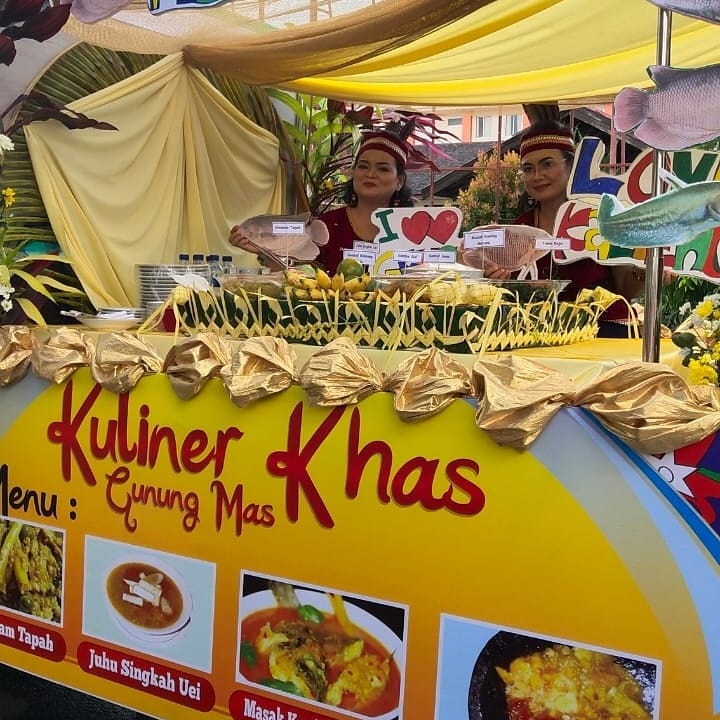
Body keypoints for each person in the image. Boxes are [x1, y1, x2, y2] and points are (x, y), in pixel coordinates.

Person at [511, 119, 669, 338]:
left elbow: (626, 289)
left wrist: (646, 272)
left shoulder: (602, 219)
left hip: (602, 333)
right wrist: (493, 276)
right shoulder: (518, 229)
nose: (537, 175)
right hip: (532, 335)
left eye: (547, 164)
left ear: (571, 166)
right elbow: (507, 292)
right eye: (528, 169)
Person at [229, 130, 414, 274]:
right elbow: (301, 278)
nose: (370, 174)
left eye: (383, 169)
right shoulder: (327, 225)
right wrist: (262, 248)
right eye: (363, 166)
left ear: (399, 181)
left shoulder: (412, 229)